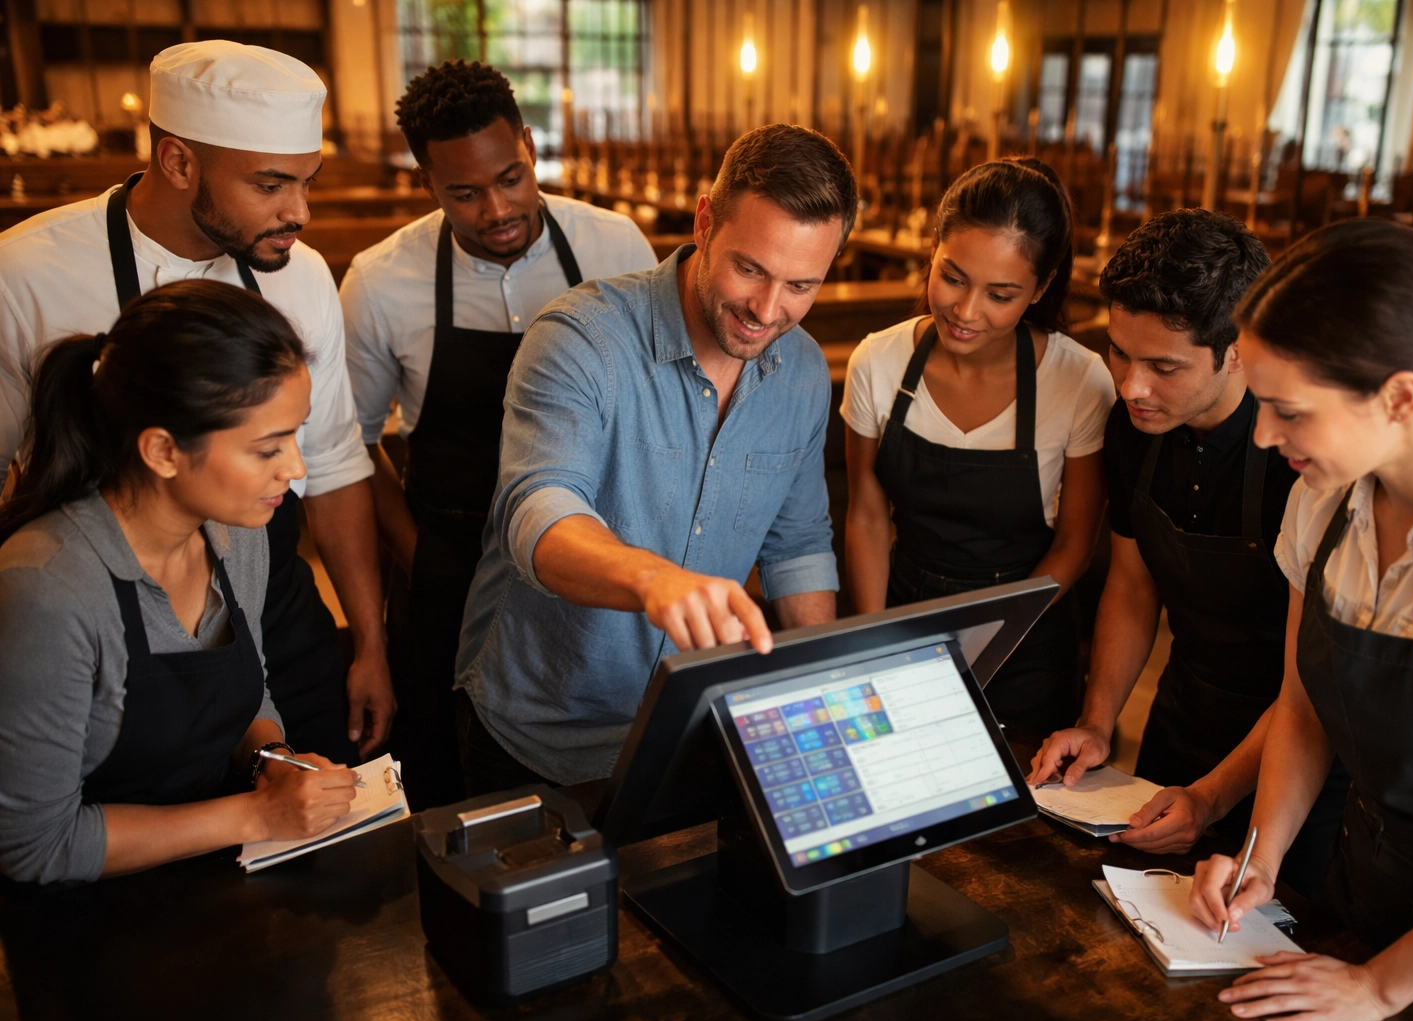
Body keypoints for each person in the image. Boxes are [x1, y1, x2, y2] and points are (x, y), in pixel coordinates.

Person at [0, 41, 393, 766]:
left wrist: (369, 641)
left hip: (271, 585)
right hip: (106, 605)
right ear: (179, 162)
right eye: (271, 185)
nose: (299, 211)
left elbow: (334, 464)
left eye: (307, 183)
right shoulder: (25, 273)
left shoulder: (302, 275)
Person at [1189, 221, 1413, 1021]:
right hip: (1367, 914)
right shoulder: (1324, 499)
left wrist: (1380, 987)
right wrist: (1260, 857)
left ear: (1401, 396)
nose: (1266, 435)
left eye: (1289, 411)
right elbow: (1305, 709)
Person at [454, 124, 856, 792]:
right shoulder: (582, 335)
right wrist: (652, 580)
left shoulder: (804, 371)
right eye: (750, 269)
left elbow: (798, 546)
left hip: (690, 727)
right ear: (705, 222)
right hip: (541, 735)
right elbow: (535, 511)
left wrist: (826, 685)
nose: (767, 309)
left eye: (800, 285)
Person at [342, 61, 657, 808]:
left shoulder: (616, 250)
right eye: (464, 193)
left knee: (594, 779)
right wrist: (420, 559)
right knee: (448, 786)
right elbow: (346, 448)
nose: (496, 207)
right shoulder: (381, 282)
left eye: (511, 178)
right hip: (447, 560)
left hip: (587, 555)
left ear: (529, 146)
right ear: (426, 183)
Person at [1025, 210, 1346, 899]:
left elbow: (1307, 693)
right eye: (1118, 353)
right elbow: (1133, 588)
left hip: (1294, 760)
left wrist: (1212, 797)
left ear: (1237, 350)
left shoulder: (1299, 462)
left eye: (1163, 366)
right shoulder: (1133, 430)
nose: (1132, 386)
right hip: (1180, 720)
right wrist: (1097, 720)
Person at [0, 281, 360, 884]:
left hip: (215, 890)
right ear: (163, 450)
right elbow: (34, 846)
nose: (295, 468)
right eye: (267, 448)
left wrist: (271, 760)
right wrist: (256, 812)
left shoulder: (235, 531)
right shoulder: (48, 588)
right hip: (80, 925)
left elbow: (246, 690)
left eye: (295, 436)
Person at [842, 157, 1114, 736]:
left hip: (1026, 643)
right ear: (933, 248)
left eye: (1001, 294)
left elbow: (1074, 546)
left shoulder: (1079, 380)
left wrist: (992, 640)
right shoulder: (879, 360)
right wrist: (873, 646)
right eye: (954, 277)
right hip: (903, 623)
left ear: (1040, 289)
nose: (966, 312)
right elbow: (866, 516)